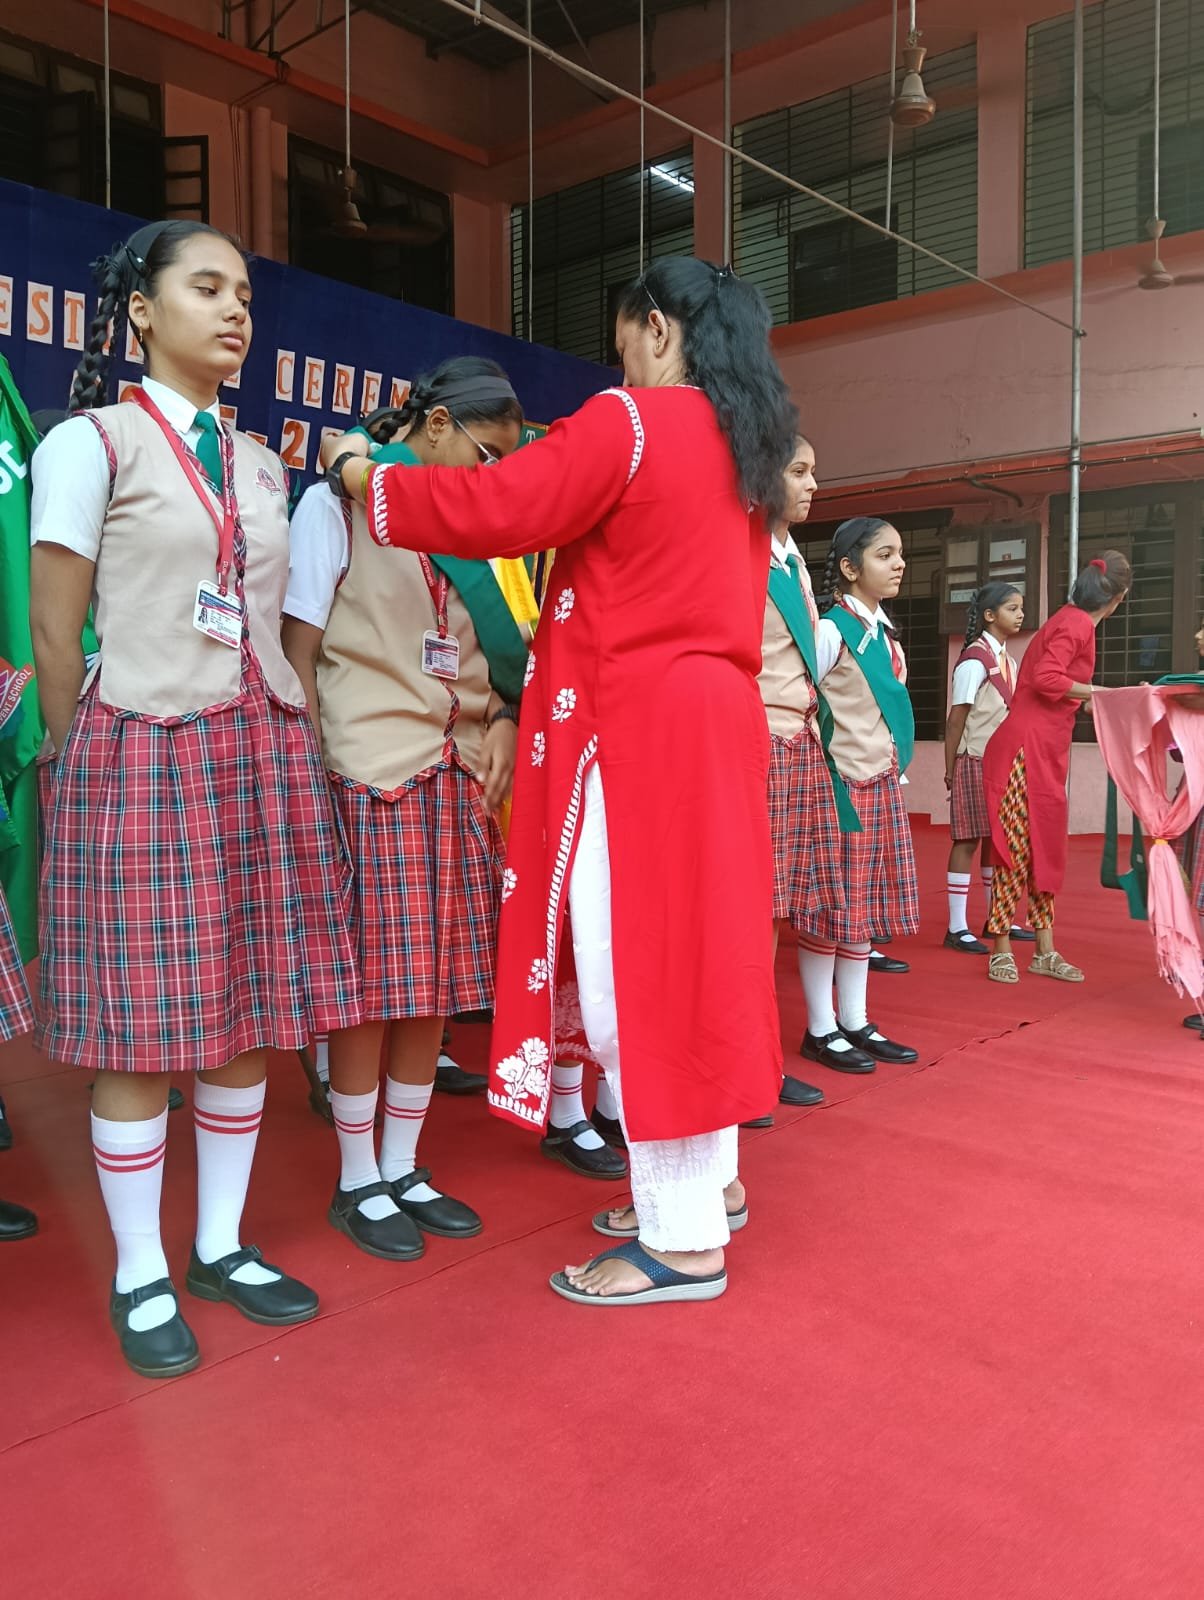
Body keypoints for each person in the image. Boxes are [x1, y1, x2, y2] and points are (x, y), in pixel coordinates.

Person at [322, 255, 794, 1305]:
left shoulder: (633, 422)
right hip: (712, 724)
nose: (619, 365)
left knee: (640, 972)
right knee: (698, 957)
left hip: (637, 728)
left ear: (658, 329)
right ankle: (705, 1190)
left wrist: (363, 475)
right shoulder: (745, 448)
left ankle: (681, 1242)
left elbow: (502, 506)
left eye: (625, 342)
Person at [29, 221, 361, 1377]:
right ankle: (140, 1267)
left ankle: (220, 1244)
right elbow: (54, 630)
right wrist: (82, 758)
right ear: (140, 312)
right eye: (207, 288)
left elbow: (270, 618)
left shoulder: (263, 464)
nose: (234, 313)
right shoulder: (92, 443)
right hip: (137, 747)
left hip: (258, 750)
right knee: (137, 1027)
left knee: (248, 1011)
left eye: (246, 297)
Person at [801, 518, 920, 1074]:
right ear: (850, 568)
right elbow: (804, 700)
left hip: (879, 782)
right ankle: (820, 1028)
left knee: (861, 909)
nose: (899, 564)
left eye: (900, 554)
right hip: (840, 786)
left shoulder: (887, 635)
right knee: (829, 910)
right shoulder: (830, 631)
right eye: (884, 555)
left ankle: (855, 1019)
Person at [981, 551, 1131, 984]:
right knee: (1016, 850)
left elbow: (1059, 688)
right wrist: (1098, 693)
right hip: (1025, 749)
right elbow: (1047, 678)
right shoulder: (1077, 623)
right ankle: (1001, 947)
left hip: (1043, 749)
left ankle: (1044, 950)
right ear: (1119, 598)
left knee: (1043, 846)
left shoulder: (1072, 620)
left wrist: (1100, 699)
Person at [756, 435, 848, 1114]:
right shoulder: (741, 554)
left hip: (799, 742)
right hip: (758, 741)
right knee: (752, 913)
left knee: (776, 912)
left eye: (813, 472)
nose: (813, 484)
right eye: (798, 471)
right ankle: (746, 1061)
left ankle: (758, 1055)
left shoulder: (792, 562)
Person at [942, 582, 1030, 953]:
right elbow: (956, 720)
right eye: (1012, 608)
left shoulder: (1009, 661)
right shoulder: (974, 661)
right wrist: (951, 768)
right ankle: (956, 927)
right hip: (974, 759)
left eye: (1021, 608)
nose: (1020, 614)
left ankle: (998, 918)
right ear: (990, 615)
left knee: (998, 840)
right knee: (966, 839)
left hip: (1001, 763)